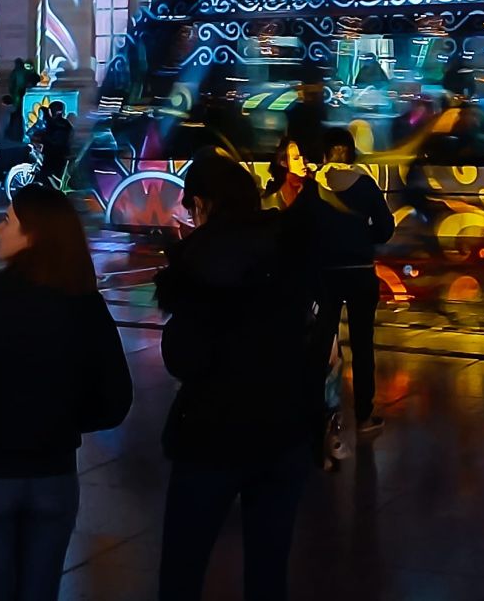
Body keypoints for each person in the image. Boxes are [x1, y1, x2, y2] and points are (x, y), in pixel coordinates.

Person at [0, 183, 132, 601]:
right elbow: (116, 397)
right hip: (54, 468)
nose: (1, 230)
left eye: (9, 221)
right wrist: (68, 419)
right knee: (41, 586)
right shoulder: (84, 304)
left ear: (32, 234)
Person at [156, 152, 323, 601]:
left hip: (214, 434)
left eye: (191, 204)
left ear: (205, 203)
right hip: (285, 430)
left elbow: (184, 357)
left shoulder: (202, 262)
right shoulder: (286, 250)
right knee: (269, 569)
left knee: (183, 567)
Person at [314, 130, 395, 436]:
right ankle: (363, 415)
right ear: (352, 153)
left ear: (325, 155)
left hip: (326, 275)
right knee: (363, 346)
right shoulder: (366, 185)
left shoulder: (315, 187)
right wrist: (363, 240)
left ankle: (328, 413)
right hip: (361, 272)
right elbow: (386, 228)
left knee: (326, 345)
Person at [38, 101, 73, 189]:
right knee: (54, 177)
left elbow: (53, 141)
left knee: (46, 176)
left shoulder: (56, 125)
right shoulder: (65, 124)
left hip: (53, 156)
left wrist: (43, 138)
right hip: (61, 155)